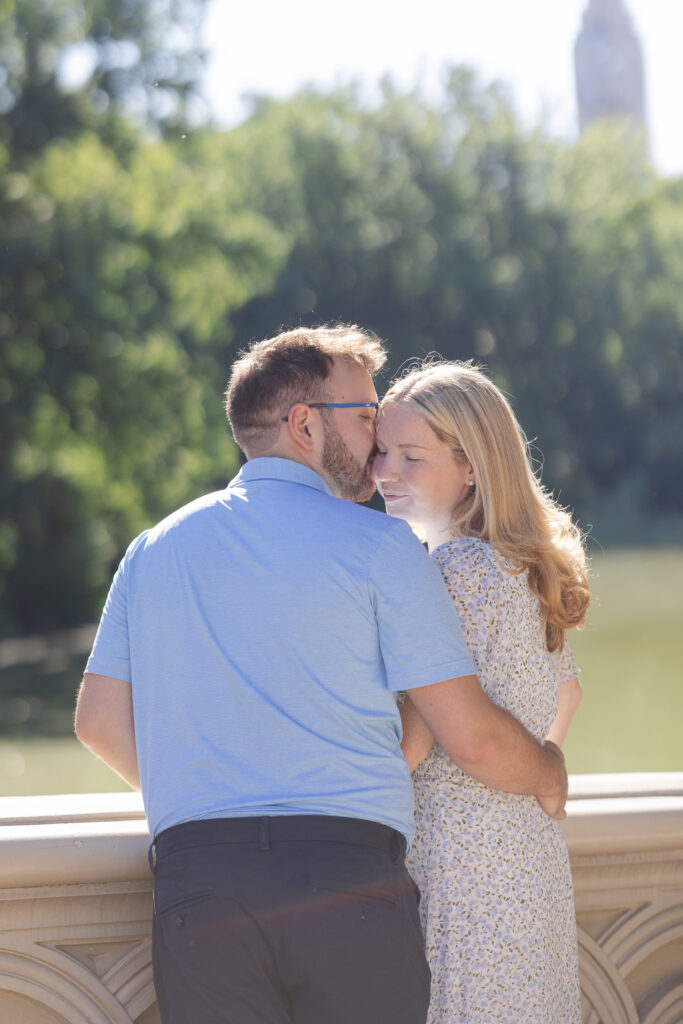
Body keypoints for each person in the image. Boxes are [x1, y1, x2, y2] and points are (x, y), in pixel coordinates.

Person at [75, 326, 569, 1024]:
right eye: (364, 416)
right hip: (344, 880)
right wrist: (549, 771)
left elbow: (95, 723)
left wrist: (213, 794)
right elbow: (472, 736)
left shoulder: (150, 549)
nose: (374, 441)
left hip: (198, 879)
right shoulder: (380, 545)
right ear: (303, 424)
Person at [372, 359, 589, 1024]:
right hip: (526, 854)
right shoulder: (523, 564)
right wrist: (543, 769)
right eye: (381, 451)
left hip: (458, 871)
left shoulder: (451, 569)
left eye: (412, 457)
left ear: (472, 467)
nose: (385, 472)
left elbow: (415, 743)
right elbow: (568, 694)